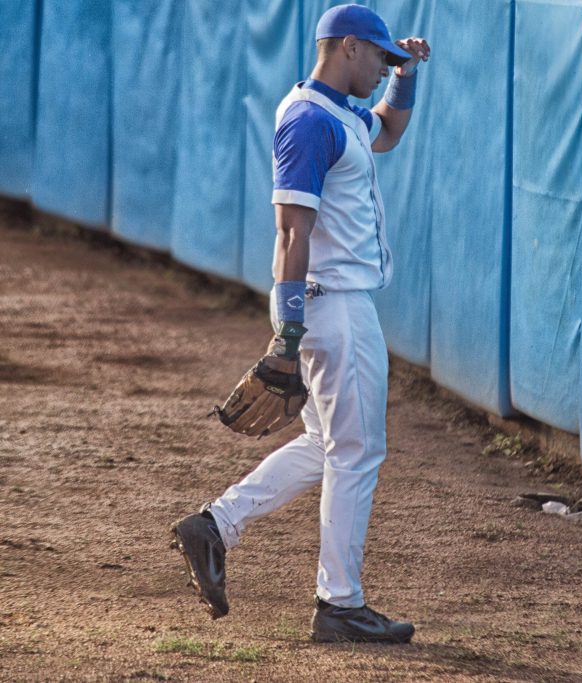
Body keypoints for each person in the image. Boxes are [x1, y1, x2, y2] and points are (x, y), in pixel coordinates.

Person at [170, 4, 430, 644]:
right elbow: (291, 230)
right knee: (358, 451)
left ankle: (216, 524)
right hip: (329, 306)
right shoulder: (309, 119)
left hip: (330, 304)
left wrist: (407, 73)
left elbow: (389, 132)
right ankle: (339, 604)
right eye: (379, 58)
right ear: (346, 48)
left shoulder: (340, 113)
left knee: (325, 445)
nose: (381, 69)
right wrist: (286, 333)